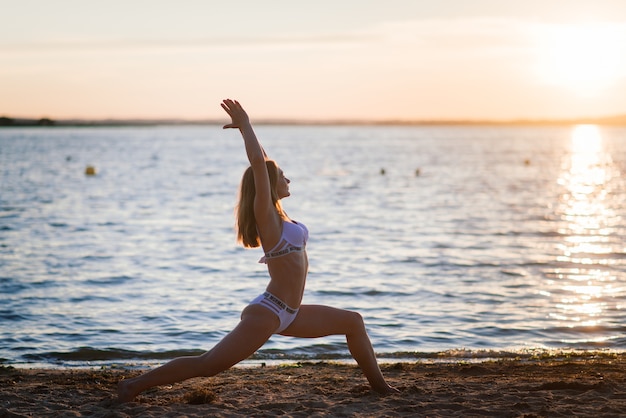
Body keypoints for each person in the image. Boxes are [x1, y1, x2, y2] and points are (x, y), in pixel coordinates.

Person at [117, 99, 397, 403]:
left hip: (291, 312)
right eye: (282, 176)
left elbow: (263, 165)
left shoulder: (281, 216)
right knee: (208, 365)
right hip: (269, 311)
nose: (287, 179)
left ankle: (380, 387)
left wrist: (254, 140)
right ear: (268, 186)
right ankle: (133, 386)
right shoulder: (268, 220)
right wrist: (246, 127)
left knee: (353, 322)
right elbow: (259, 166)